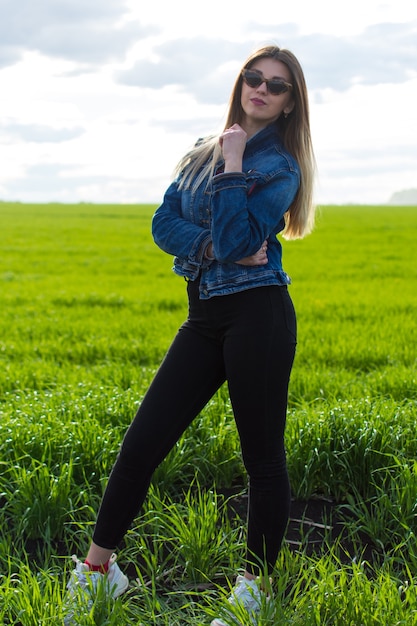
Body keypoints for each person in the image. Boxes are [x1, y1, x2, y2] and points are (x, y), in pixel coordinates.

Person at [65, 44, 316, 625]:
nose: (261, 88)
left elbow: (235, 240)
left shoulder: (280, 167)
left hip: (259, 316)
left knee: (262, 459)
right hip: (203, 318)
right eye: (254, 77)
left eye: (276, 85)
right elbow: (163, 223)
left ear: (288, 104)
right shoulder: (199, 151)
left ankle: (256, 592)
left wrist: (232, 167)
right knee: (142, 442)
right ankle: (98, 573)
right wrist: (209, 241)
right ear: (241, 82)